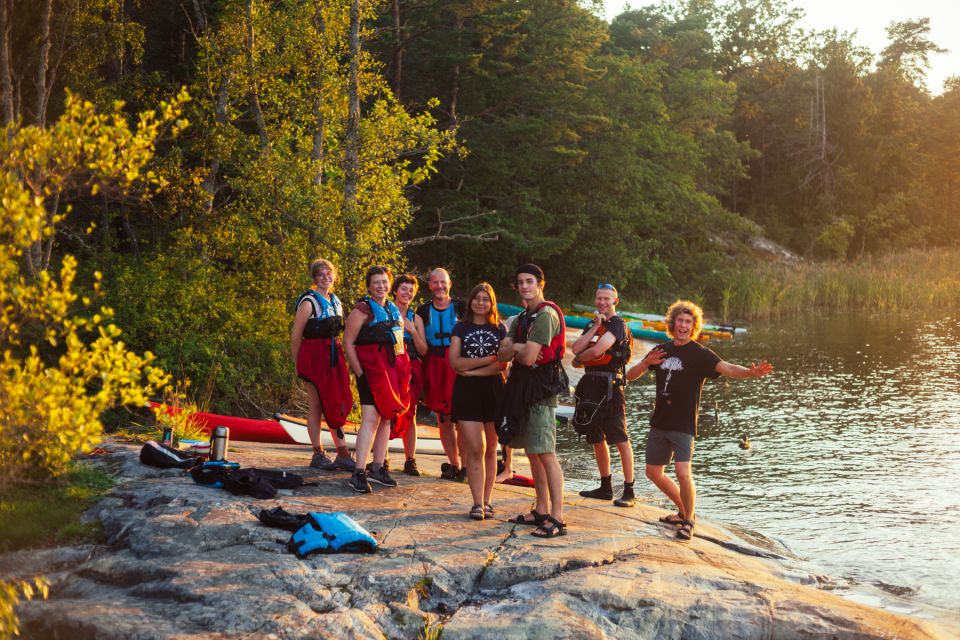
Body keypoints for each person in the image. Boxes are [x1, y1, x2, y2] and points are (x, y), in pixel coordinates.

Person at [626, 299, 773, 540]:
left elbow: (727, 368)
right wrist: (645, 362)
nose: (683, 325)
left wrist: (750, 373)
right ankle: (682, 511)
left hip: (683, 424)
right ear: (672, 324)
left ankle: (690, 520)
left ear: (693, 326)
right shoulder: (661, 350)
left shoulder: (700, 354)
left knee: (683, 471)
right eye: (680, 321)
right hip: (660, 421)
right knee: (653, 472)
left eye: (688, 322)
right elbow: (630, 376)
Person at [498, 264, 569, 538]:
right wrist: (518, 347)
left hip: (542, 390)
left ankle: (558, 517)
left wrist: (516, 347)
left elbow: (527, 358)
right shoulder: (520, 319)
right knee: (531, 451)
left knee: (546, 452)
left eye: (529, 281)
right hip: (522, 389)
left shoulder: (546, 316)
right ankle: (541, 508)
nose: (525, 286)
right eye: (520, 282)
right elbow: (503, 354)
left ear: (540, 284)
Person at [343, 266, 411, 493]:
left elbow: (399, 345)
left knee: (386, 419)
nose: (381, 286)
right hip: (370, 372)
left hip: (391, 373)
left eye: (384, 282)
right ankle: (359, 472)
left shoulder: (392, 309)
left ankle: (378, 467)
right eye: (376, 283)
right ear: (369, 286)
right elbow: (348, 343)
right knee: (371, 418)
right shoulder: (362, 309)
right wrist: (359, 372)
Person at [571, 283, 635, 507]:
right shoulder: (592, 323)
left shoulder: (618, 324)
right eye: (599, 298)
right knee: (596, 436)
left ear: (615, 301)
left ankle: (629, 490)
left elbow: (597, 350)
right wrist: (594, 327)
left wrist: (579, 360)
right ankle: (605, 486)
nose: (602, 302)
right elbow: (575, 348)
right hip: (590, 384)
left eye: (607, 299)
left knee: (619, 438)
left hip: (610, 385)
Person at [289, 258, 356, 471]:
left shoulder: (336, 301)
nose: (326, 277)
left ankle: (343, 452)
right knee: (317, 404)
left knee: (336, 401)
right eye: (321, 274)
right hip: (314, 355)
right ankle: (318, 452)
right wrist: (298, 363)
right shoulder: (309, 302)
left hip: (333, 355)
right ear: (315, 278)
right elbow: (296, 336)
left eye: (329, 273)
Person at [449, 283, 508, 520]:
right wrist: (488, 359)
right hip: (467, 392)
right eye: (477, 298)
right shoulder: (460, 328)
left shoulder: (500, 329)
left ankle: (487, 500)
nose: (481, 303)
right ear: (470, 301)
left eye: (486, 299)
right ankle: (476, 504)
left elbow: (502, 364)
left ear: (492, 303)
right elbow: (455, 362)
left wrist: (474, 370)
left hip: (493, 390)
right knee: (475, 448)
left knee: (491, 449)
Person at [415, 268, 466, 481]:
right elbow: (420, 345)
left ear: (450, 284)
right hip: (435, 364)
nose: (439, 286)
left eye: (443, 282)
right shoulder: (423, 311)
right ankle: (454, 463)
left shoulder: (462, 307)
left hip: (458, 365)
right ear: (430, 286)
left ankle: (467, 465)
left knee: (463, 418)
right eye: (435, 283)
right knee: (443, 419)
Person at [392, 274, 428, 476]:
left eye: (411, 290)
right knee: (385, 410)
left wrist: (413, 331)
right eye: (403, 289)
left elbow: (424, 350)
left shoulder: (416, 318)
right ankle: (384, 459)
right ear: (395, 291)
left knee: (410, 412)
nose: (407, 293)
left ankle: (410, 460)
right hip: (390, 365)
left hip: (412, 367)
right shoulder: (385, 311)